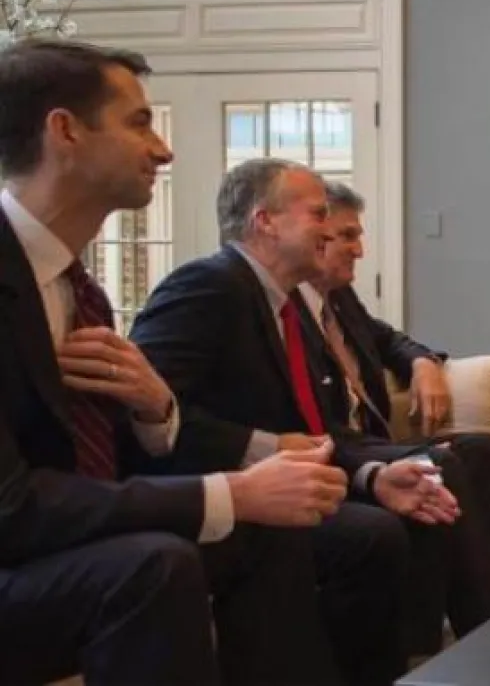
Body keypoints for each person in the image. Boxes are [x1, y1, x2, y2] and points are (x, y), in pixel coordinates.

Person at [0, 39, 364, 685]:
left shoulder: (76, 289)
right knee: (154, 566)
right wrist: (229, 491)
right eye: (139, 123)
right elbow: (13, 508)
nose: (163, 149)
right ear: (65, 132)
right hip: (16, 552)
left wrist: (154, 407)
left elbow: (101, 457)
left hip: (55, 540)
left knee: (266, 533)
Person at [129, 158, 464, 676]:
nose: (329, 229)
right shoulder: (207, 287)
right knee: (369, 535)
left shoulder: (280, 301)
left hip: (298, 473)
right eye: (318, 214)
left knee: (403, 504)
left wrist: (370, 473)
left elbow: (314, 434)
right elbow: (148, 420)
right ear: (266, 221)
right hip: (212, 488)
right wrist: (269, 447)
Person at [299, 179, 490, 643]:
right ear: (318, 235)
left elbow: (390, 339)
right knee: (440, 464)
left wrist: (424, 362)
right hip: (343, 451)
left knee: (488, 451)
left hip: (376, 441)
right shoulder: (288, 311)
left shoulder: (339, 300)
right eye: (348, 236)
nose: (360, 249)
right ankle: (488, 633)